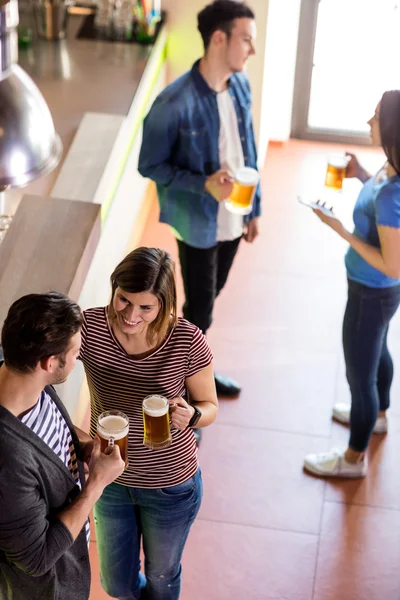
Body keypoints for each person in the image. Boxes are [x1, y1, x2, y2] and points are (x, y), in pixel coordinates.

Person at [79, 247, 218, 600]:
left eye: (146, 307)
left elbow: (210, 405)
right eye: (124, 300)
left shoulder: (187, 340)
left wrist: (194, 415)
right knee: (116, 584)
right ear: (114, 289)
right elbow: (45, 361)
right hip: (109, 480)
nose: (130, 315)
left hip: (171, 484)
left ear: (165, 305)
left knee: (162, 575)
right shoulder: (90, 328)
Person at [138, 0, 261, 398]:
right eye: (246, 40)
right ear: (219, 39)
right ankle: (186, 392)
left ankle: (188, 375)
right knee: (201, 311)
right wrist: (202, 184)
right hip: (197, 223)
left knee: (206, 300)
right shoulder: (173, 103)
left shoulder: (240, 85)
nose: (252, 50)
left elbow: (249, 150)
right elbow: (149, 165)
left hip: (234, 216)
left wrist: (254, 209)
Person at [0, 292, 125, 600]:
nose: (78, 358)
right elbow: (36, 559)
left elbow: (47, 430)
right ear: (50, 362)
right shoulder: (7, 462)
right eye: (76, 352)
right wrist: (96, 484)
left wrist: (81, 445)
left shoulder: (19, 374)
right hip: (50, 589)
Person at [304, 90, 400, 478]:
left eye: (376, 116)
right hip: (375, 293)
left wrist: (339, 229)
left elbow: (393, 265)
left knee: (359, 379)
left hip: (372, 291)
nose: (368, 121)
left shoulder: (394, 194)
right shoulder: (390, 167)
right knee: (377, 352)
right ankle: (376, 416)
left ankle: (352, 459)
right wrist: (362, 173)